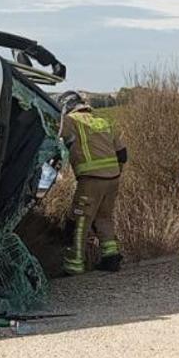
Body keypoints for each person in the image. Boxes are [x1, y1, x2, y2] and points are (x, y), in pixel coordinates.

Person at [58, 91, 127, 275]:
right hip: (113, 179)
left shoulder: (71, 120)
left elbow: (54, 136)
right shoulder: (104, 120)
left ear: (66, 106)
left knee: (81, 220)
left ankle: (74, 264)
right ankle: (111, 258)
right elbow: (122, 154)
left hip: (90, 179)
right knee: (104, 217)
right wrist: (115, 171)